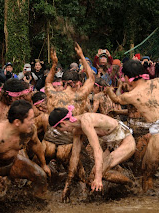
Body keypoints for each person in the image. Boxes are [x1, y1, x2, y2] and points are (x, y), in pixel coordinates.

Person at [106, 59, 159, 193]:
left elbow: (116, 99)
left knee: (147, 177)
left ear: (126, 77)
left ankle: (148, 203)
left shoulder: (131, 96)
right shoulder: (158, 82)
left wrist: (109, 91)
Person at [44, 44, 95, 201]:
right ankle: (82, 195)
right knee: (78, 170)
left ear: (63, 82)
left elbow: (47, 81)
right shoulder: (79, 96)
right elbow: (92, 78)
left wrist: (54, 64)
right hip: (68, 140)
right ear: (76, 83)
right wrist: (81, 56)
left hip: (49, 140)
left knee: (45, 166)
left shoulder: (52, 94)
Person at [49, 106, 135, 192]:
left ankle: (132, 185)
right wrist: (67, 185)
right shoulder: (76, 131)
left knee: (99, 174)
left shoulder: (86, 121)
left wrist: (98, 178)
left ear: (64, 123)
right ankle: (127, 186)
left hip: (126, 141)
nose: (61, 131)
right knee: (92, 178)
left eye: (58, 128)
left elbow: (97, 150)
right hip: (111, 145)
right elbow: (74, 156)